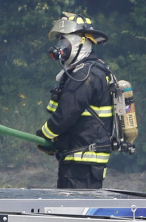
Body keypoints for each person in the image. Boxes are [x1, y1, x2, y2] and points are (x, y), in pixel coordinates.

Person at [36, 12, 114, 189]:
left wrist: (44, 135)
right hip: (79, 159)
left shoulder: (85, 75)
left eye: (64, 41)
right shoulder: (86, 71)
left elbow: (66, 116)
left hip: (82, 163)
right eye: (59, 41)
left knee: (74, 212)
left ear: (82, 41)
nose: (60, 47)